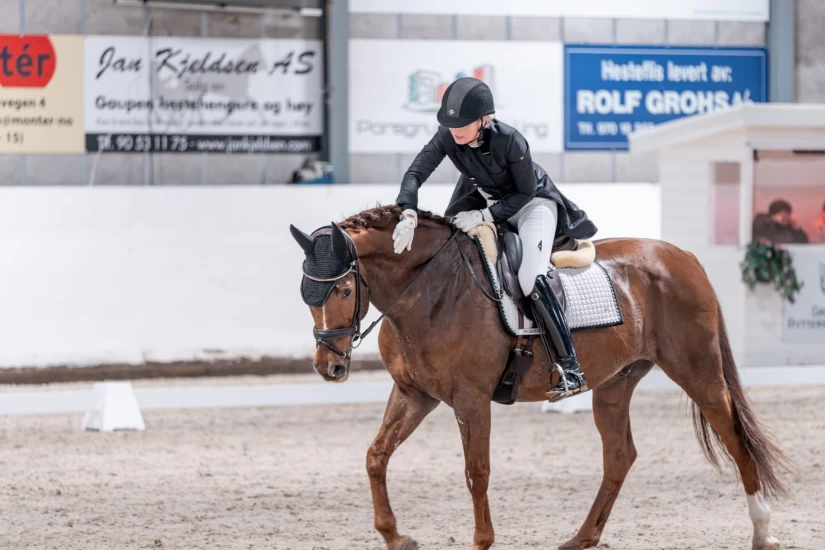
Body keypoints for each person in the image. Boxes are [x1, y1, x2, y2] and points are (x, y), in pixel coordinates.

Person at [391, 76, 597, 399]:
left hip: (533, 206)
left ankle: (570, 368)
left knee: (530, 276)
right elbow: (416, 171)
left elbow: (525, 192)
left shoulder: (511, 141)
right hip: (489, 203)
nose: (454, 130)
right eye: (451, 124)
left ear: (484, 119)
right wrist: (408, 210)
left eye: (462, 124)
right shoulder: (449, 136)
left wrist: (486, 216)